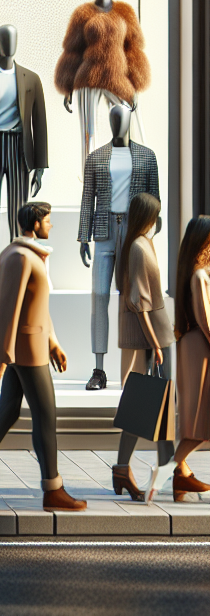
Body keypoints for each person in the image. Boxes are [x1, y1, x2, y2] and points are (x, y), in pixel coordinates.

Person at [0, 201, 86, 515]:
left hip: (33, 345)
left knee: (8, 413)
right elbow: (7, 310)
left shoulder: (31, 255)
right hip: (26, 351)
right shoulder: (19, 257)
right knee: (45, 416)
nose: (51, 226)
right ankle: (53, 489)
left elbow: (37, 306)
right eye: (48, 221)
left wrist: (53, 342)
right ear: (36, 223)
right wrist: (3, 356)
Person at [112, 193, 174, 500]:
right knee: (145, 405)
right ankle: (133, 467)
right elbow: (138, 301)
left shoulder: (139, 243)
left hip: (154, 336)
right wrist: (154, 342)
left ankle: (170, 467)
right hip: (148, 339)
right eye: (154, 215)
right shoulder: (137, 246)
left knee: (157, 405)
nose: (156, 221)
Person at [148, 215, 210, 502]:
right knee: (199, 423)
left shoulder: (195, 272)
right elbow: (206, 320)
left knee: (199, 421)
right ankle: (166, 473)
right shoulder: (199, 276)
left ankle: (180, 476)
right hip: (201, 348)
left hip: (194, 346)